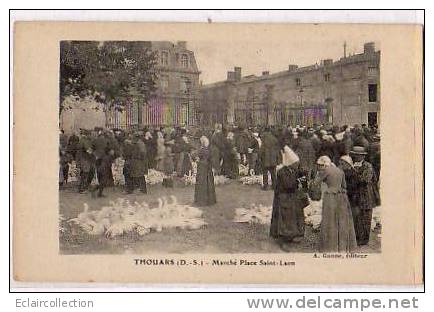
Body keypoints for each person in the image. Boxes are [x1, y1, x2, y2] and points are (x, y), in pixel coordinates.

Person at [311, 155, 357, 252]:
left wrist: (317, 176)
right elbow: (344, 186)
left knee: (330, 220)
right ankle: (341, 245)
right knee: (341, 220)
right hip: (342, 196)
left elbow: (316, 183)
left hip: (330, 196)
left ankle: (329, 246)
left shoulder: (326, 171)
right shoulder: (341, 172)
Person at [270, 146, 309, 251]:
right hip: (284, 197)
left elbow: (298, 179)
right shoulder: (282, 172)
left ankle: (291, 235)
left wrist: (302, 178)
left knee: (291, 217)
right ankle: (283, 239)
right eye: (296, 163)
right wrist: (298, 181)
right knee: (285, 217)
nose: (297, 165)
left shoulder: (292, 170)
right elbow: (288, 185)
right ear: (291, 163)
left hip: (290, 196)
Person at [350, 146, 379, 245]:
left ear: (362, 156)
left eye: (357, 155)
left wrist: (354, 172)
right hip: (357, 196)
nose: (355, 157)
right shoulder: (353, 165)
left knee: (365, 217)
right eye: (354, 155)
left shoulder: (368, 166)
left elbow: (365, 180)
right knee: (357, 217)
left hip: (367, 196)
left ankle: (364, 240)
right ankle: (358, 237)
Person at [194, 136, 217, 206]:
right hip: (207, 166)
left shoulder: (201, 149)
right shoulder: (207, 150)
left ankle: (201, 199)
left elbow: (197, 156)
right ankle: (209, 199)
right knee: (208, 182)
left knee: (202, 182)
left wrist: (198, 159)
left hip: (202, 166)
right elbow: (210, 158)